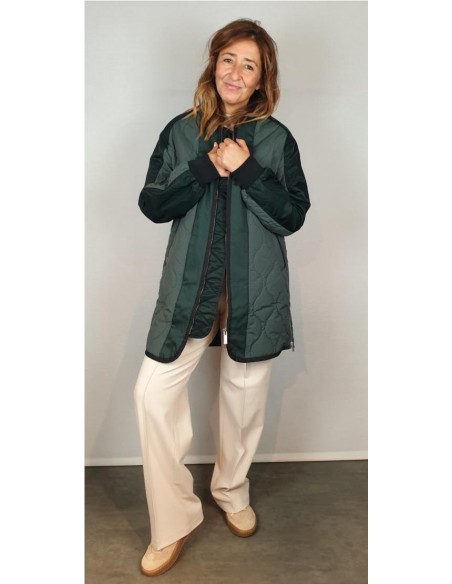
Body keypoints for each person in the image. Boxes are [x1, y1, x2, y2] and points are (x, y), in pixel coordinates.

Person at [133, 18, 310, 577]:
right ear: (214, 64)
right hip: (192, 290)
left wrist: (248, 169)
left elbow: (293, 215)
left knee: (243, 402)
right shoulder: (180, 132)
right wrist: (206, 167)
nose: (236, 72)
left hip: (254, 292)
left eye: (249, 65)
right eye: (228, 59)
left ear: (261, 80)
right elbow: (153, 204)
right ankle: (172, 520)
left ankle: (232, 491)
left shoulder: (277, 140)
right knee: (150, 395)